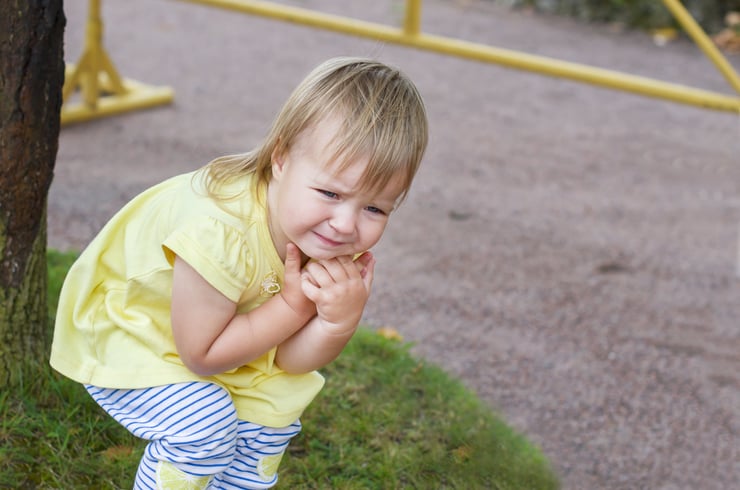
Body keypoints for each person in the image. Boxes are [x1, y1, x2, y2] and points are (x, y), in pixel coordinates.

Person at [49, 56, 428, 489]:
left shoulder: (318, 230)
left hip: (222, 335)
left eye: (375, 208)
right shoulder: (220, 229)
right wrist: (291, 304)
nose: (345, 223)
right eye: (330, 192)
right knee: (204, 426)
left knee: (269, 422)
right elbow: (202, 356)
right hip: (131, 331)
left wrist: (337, 322)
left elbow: (288, 360)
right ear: (281, 158)